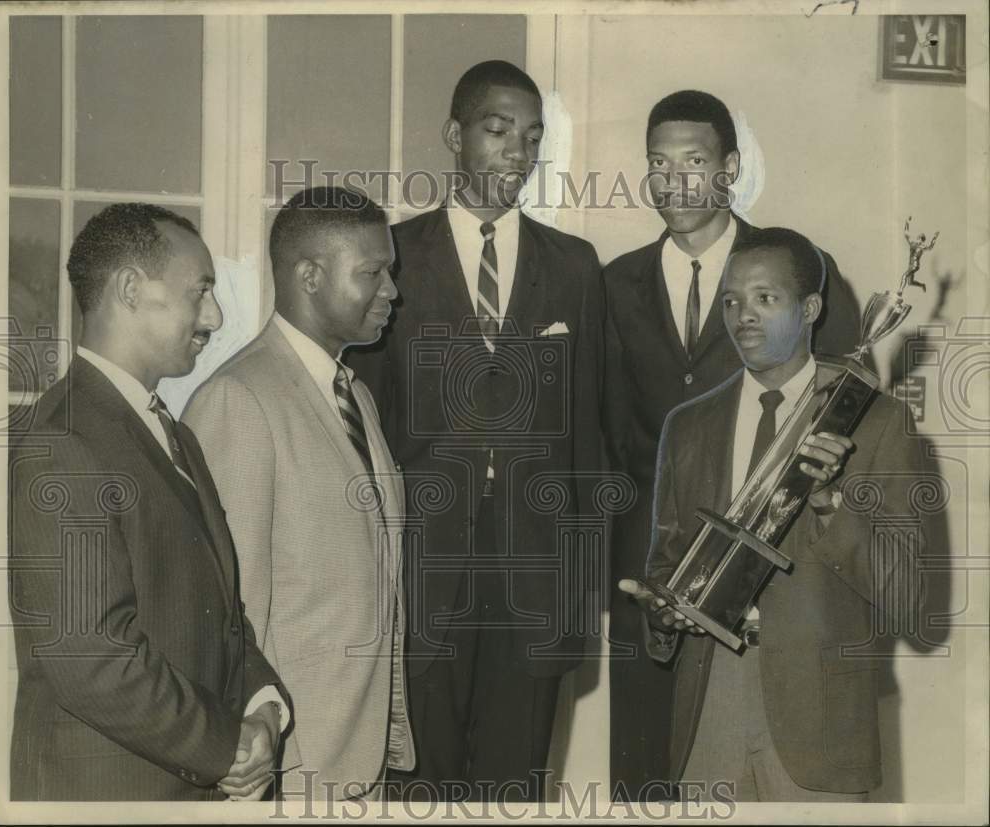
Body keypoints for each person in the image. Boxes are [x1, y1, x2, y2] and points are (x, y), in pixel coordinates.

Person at [348, 60, 604, 802]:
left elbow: (585, 436)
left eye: (531, 137)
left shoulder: (574, 267)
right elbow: (367, 426)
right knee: (419, 784)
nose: (516, 153)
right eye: (498, 131)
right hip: (422, 573)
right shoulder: (391, 255)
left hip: (535, 578)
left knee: (512, 788)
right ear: (454, 135)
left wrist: (575, 597)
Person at [601, 90, 866, 799]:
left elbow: (846, 412)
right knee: (647, 782)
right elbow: (601, 435)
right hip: (652, 588)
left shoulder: (792, 267)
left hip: (777, 590)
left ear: (731, 168)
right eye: (658, 163)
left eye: (694, 162)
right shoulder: (612, 282)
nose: (674, 181)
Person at [619, 227, 929, 802]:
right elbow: (666, 568)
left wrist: (831, 506)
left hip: (822, 722)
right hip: (706, 708)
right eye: (731, 300)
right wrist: (661, 615)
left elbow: (909, 597)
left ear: (810, 308)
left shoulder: (876, 422)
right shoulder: (687, 426)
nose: (744, 316)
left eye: (767, 299)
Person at [8, 203, 287, 801]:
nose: (214, 314)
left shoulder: (173, 433)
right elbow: (91, 658)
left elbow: (220, 615)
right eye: (201, 291)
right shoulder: (64, 440)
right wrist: (223, 746)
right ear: (131, 289)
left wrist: (264, 706)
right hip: (107, 796)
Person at [183, 187, 413, 801]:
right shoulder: (240, 399)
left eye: (388, 271)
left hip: (355, 755)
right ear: (308, 275)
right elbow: (229, 607)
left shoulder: (354, 395)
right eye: (372, 272)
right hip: (289, 759)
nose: (391, 290)